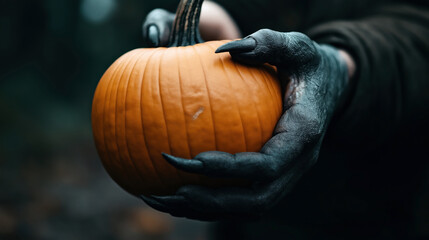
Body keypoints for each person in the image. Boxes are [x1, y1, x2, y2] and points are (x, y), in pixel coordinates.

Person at [141, 0, 429, 238]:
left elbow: (418, 32)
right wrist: (221, 22)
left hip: (377, 214)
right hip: (242, 228)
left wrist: (341, 68)